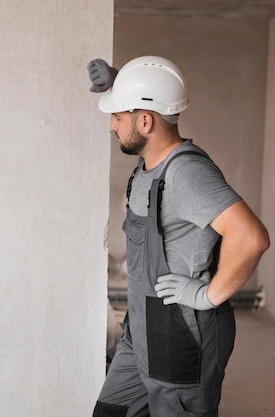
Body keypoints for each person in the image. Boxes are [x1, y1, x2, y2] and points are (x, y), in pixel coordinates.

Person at [87, 56, 270, 416]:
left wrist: (206, 295)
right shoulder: (151, 165)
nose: (111, 126)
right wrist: (121, 82)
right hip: (140, 330)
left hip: (180, 337)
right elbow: (149, 99)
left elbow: (251, 237)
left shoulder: (186, 173)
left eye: (118, 117)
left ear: (145, 121)